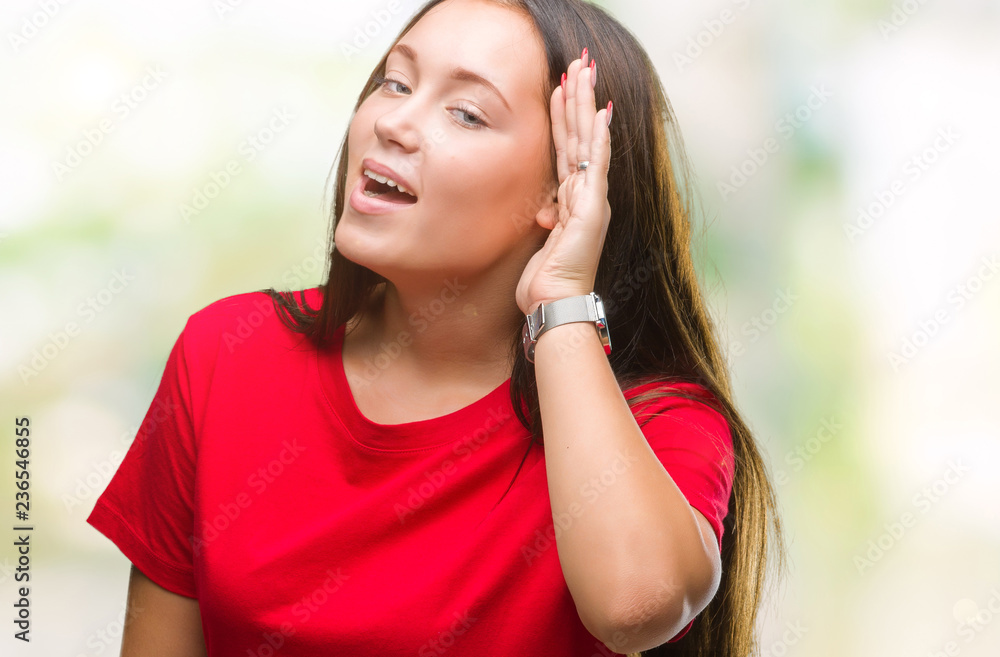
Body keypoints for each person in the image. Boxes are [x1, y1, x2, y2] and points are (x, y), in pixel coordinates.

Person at [87, 0, 786, 655]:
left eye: (467, 113)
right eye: (395, 83)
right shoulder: (225, 354)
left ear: (564, 190)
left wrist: (561, 297)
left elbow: (637, 605)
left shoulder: (663, 424)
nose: (394, 123)